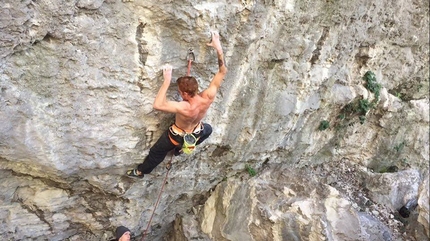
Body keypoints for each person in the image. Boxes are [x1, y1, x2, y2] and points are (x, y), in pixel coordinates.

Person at [127, 31, 227, 178]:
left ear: (185, 94)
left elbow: (158, 105)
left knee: (156, 152)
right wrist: (218, 47)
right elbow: (223, 70)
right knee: (208, 129)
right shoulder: (208, 96)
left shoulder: (184, 107)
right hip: (196, 132)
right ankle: (181, 149)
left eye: (180, 91)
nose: (179, 93)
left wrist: (166, 80)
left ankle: (141, 171)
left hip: (177, 136)